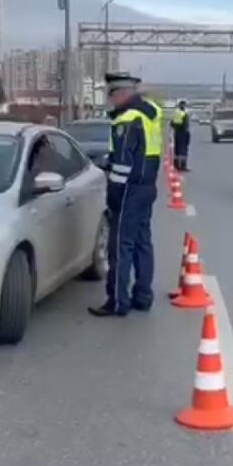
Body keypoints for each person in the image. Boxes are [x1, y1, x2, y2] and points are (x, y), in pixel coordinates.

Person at [89, 72, 162, 317]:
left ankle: (118, 301)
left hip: (128, 190)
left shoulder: (126, 120)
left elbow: (123, 163)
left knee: (120, 245)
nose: (110, 102)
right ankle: (143, 296)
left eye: (111, 95)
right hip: (147, 186)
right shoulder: (150, 113)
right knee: (142, 242)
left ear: (120, 94)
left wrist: (114, 195)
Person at [170, 100, 191, 172]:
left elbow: (172, 124)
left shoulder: (176, 113)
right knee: (183, 150)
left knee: (177, 149)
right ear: (184, 106)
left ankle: (176, 165)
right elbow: (186, 125)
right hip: (183, 134)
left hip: (176, 133)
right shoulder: (184, 114)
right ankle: (183, 166)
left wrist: (176, 128)